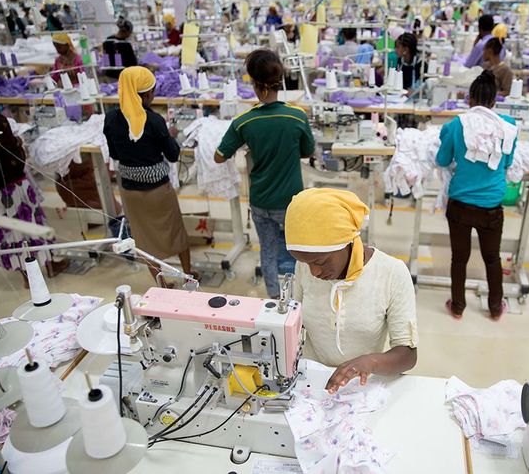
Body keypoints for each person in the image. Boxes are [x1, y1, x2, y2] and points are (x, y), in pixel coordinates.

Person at [285, 188, 418, 393]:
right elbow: (291, 323)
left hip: (361, 383)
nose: (314, 271)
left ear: (347, 242)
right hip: (312, 377)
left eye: (320, 262)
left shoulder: (391, 273)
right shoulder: (305, 266)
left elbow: (407, 355)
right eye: (305, 262)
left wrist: (369, 362)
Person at [214, 49, 315, 299]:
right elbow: (307, 151)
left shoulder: (244, 122)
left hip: (261, 201)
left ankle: (273, 298)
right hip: (290, 201)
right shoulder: (296, 116)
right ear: (279, 82)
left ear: (255, 85)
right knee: (298, 249)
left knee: (268, 251)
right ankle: (300, 296)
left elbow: (218, 156)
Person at [0, 68, 68, 286]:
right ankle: (49, 265)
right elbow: (15, 157)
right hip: (10, 187)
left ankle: (26, 276)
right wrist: (19, 144)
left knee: (6, 234)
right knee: (28, 226)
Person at [436, 70, 518, 320]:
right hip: (492, 205)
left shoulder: (456, 125)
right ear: (495, 101)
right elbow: (508, 162)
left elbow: (442, 160)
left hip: (460, 204)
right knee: (492, 258)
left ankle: (458, 307)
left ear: (469, 99)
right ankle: (495, 308)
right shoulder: (509, 127)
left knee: (459, 258)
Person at [103, 66, 193, 286]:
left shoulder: (111, 119)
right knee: (176, 232)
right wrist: (172, 136)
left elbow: (114, 154)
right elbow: (172, 155)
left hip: (130, 191)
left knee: (144, 241)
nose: (153, 96)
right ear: (143, 95)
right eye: (151, 92)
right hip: (158, 191)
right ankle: (188, 276)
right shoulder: (154, 121)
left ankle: (162, 285)